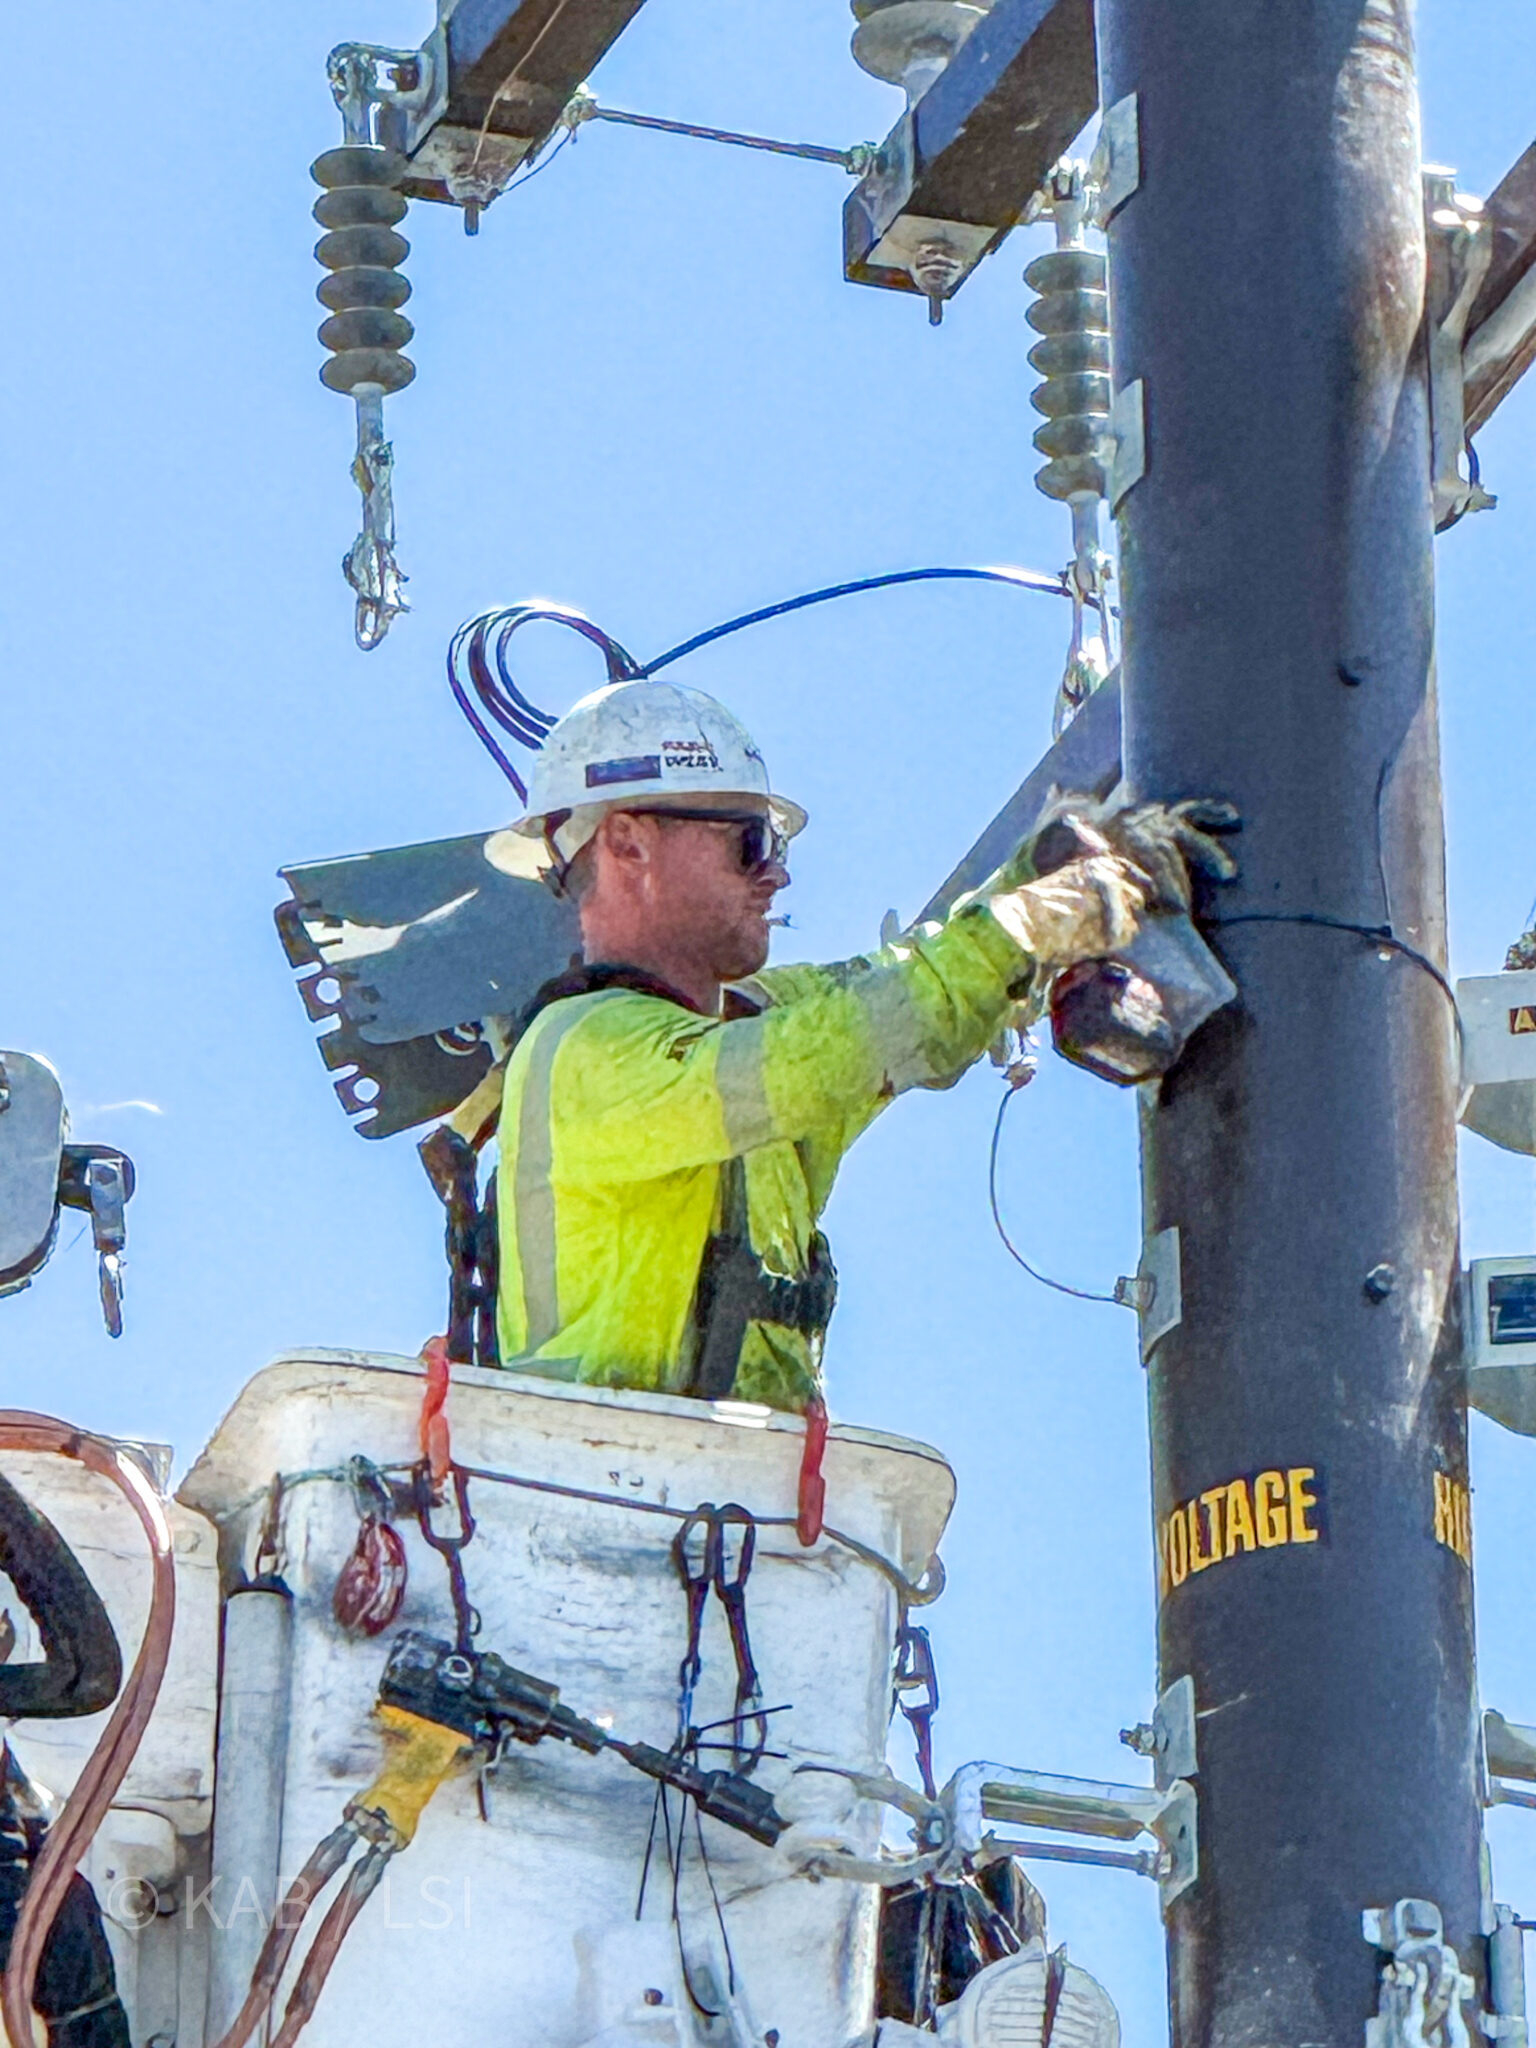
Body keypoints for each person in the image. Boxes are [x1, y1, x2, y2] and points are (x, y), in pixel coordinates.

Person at [483, 677, 1228, 1413]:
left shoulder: (739, 1023)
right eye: (749, 844)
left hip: (736, 1504)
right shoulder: (579, 1052)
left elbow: (898, 998)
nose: (775, 874)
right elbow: (832, 1047)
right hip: (613, 1495)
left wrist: (1039, 879)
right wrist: (1023, 928)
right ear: (629, 845)